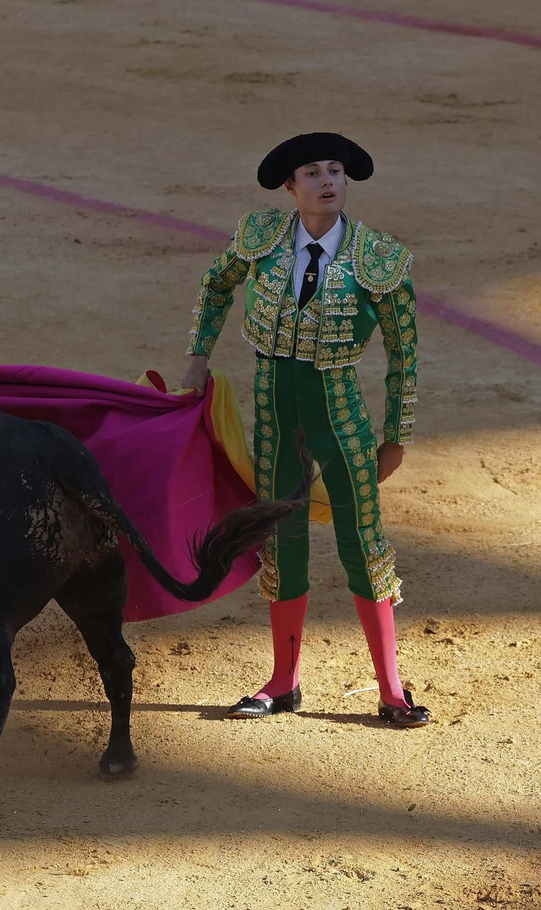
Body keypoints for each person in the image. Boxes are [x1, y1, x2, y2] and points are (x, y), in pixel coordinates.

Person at [181, 132, 429, 727]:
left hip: (339, 415)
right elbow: (215, 285)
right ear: (291, 187)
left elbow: (404, 354)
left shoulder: (379, 259)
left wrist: (396, 436)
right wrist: (196, 361)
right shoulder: (261, 238)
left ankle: (392, 691)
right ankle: (282, 682)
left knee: (362, 542)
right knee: (281, 539)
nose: (327, 181)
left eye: (335, 170)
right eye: (313, 173)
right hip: (274, 411)